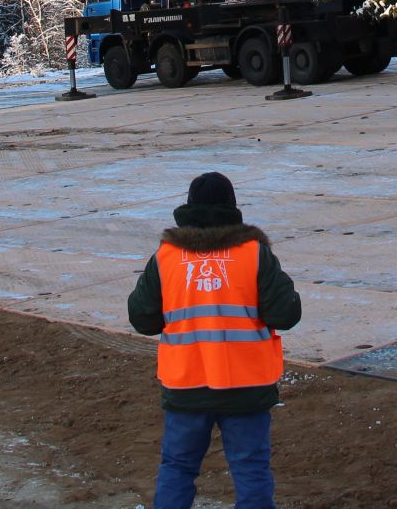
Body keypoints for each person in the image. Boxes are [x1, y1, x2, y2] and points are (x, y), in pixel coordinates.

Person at [128, 172, 301, 509]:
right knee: (251, 469)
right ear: (232, 207)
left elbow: (142, 319)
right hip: (247, 384)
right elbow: (286, 314)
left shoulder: (166, 257)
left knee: (178, 467)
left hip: (186, 384)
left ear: (188, 207)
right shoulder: (254, 253)